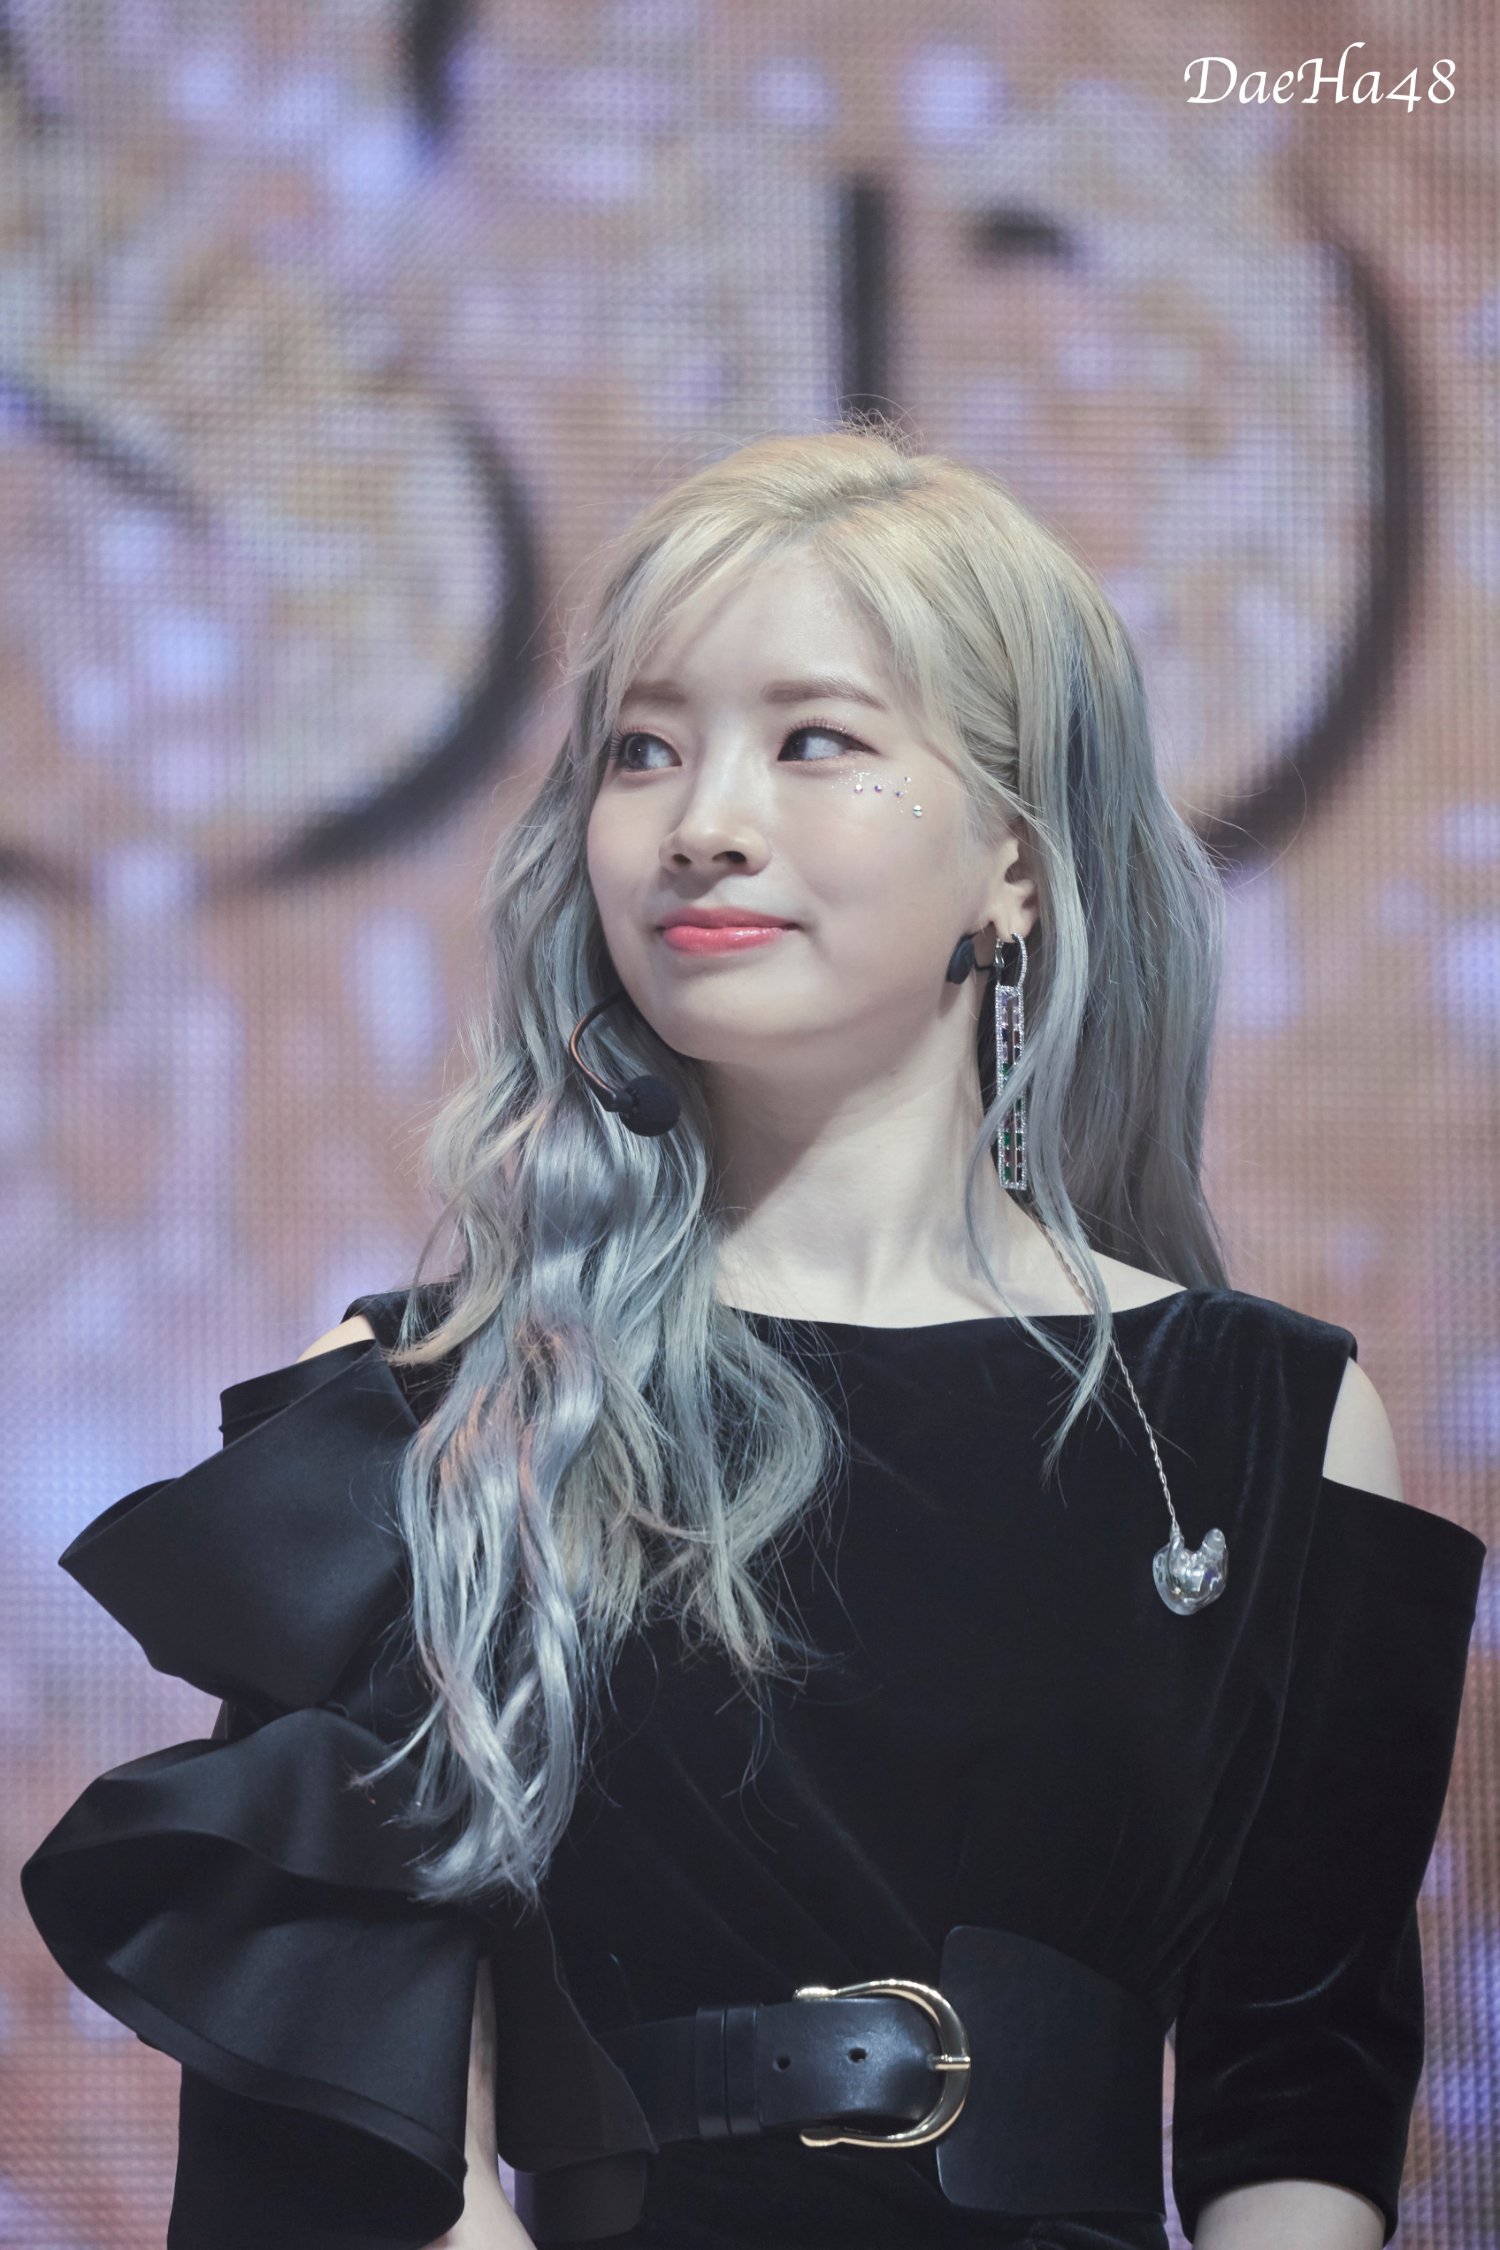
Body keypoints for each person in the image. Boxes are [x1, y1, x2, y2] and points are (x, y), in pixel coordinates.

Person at [22, 428, 1487, 2250]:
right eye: (644, 748)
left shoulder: (1257, 1424)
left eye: (813, 740)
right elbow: (342, 2119)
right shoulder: (437, 1406)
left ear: (1015, 865)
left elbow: (1302, 2081)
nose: (703, 818)